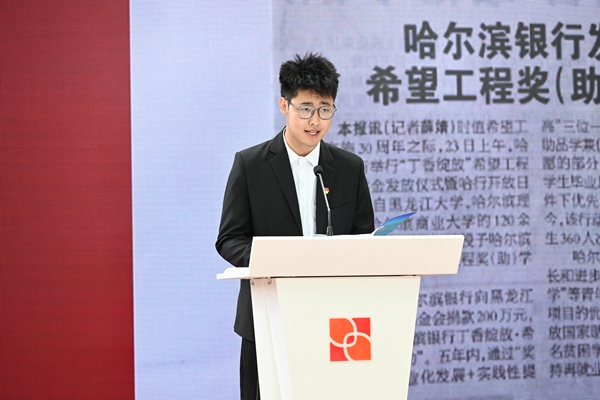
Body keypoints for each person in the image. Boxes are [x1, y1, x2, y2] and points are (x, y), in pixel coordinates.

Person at [216, 52, 374, 399]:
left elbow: (363, 239)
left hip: (336, 322)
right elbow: (229, 239)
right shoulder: (250, 165)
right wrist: (275, 260)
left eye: (325, 109)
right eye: (305, 108)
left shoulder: (350, 168)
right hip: (267, 316)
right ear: (284, 106)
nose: (315, 121)